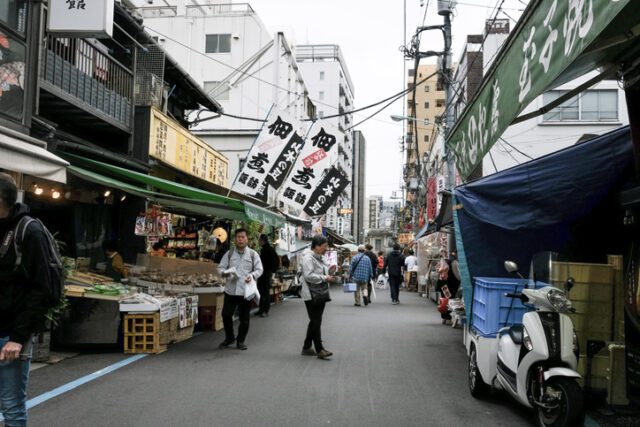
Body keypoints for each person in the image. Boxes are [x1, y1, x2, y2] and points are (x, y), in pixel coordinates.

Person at [0, 173, 54, 426]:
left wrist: (18, 338)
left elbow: (41, 289)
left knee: (11, 406)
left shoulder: (29, 231)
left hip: (11, 334)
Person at [218, 228, 263, 350]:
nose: (240, 239)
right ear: (235, 239)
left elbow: (259, 270)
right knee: (226, 315)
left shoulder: (253, 254)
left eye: (243, 237)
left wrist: (252, 275)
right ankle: (230, 337)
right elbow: (220, 268)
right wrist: (226, 273)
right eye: (238, 237)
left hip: (245, 291)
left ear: (247, 239)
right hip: (231, 290)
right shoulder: (229, 254)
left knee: (244, 318)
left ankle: (241, 341)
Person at [299, 234, 337, 359]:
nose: (326, 249)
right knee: (316, 320)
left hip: (320, 292)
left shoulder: (321, 257)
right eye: (324, 246)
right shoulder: (307, 258)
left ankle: (306, 347)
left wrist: (330, 271)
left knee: (315, 320)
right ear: (317, 246)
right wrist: (325, 277)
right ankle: (320, 349)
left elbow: (323, 271)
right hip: (311, 293)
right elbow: (308, 276)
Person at [256, 234, 278, 317]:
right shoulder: (266, 249)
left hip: (266, 273)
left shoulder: (267, 249)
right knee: (262, 291)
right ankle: (261, 310)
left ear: (262, 241)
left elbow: (273, 262)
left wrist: (271, 271)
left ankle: (265, 310)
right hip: (264, 273)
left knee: (265, 292)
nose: (258, 242)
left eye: (259, 241)